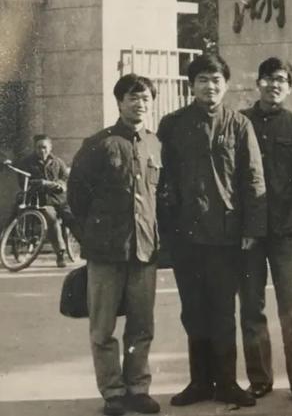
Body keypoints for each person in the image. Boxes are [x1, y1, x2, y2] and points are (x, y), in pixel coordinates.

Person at [157, 54, 267, 408]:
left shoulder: (239, 124)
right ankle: (200, 383)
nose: (210, 86)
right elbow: (162, 178)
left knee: (222, 311)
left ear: (226, 85)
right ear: (191, 85)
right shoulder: (172, 124)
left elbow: (253, 178)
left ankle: (227, 383)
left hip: (225, 235)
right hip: (185, 234)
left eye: (216, 80)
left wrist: (252, 228)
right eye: (203, 80)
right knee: (193, 311)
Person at [68, 74, 162, 416]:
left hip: (144, 249)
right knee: (103, 327)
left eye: (146, 98)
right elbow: (77, 197)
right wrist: (95, 235)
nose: (140, 103)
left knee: (141, 325)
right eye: (133, 97)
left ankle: (138, 388)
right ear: (119, 102)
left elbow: (161, 196)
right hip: (106, 251)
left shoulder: (156, 145)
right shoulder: (99, 144)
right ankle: (113, 393)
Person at [238, 57, 292, 405]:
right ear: (258, 82)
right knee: (251, 308)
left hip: (288, 231)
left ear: (289, 88)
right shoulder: (239, 122)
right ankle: (259, 380)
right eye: (269, 78)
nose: (274, 85)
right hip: (249, 233)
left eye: (282, 80)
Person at [17, 134, 72, 268]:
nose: (42, 150)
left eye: (44, 147)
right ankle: (60, 253)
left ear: (50, 147)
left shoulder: (57, 162)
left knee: (73, 218)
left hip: (59, 199)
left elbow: (65, 178)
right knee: (52, 220)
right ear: (34, 148)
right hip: (40, 201)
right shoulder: (27, 163)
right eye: (39, 147)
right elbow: (23, 182)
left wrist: (59, 185)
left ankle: (90, 251)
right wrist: (41, 183)